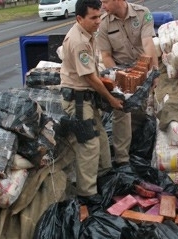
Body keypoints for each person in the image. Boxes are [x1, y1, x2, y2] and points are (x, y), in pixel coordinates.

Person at [60, 0, 123, 205]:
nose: (98, 21)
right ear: (79, 18)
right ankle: (87, 194)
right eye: (93, 18)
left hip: (86, 98)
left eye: (100, 16)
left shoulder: (88, 34)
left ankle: (103, 176)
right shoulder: (78, 41)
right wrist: (111, 99)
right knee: (88, 145)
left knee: (101, 138)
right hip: (78, 101)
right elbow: (90, 78)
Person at [97, 0, 159, 167]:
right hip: (119, 71)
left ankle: (139, 152)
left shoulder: (142, 13)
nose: (103, 6)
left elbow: (148, 43)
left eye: (105, 1)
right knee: (121, 114)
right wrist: (120, 78)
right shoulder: (104, 23)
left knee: (140, 112)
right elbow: (106, 55)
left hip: (141, 70)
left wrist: (154, 71)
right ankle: (122, 159)